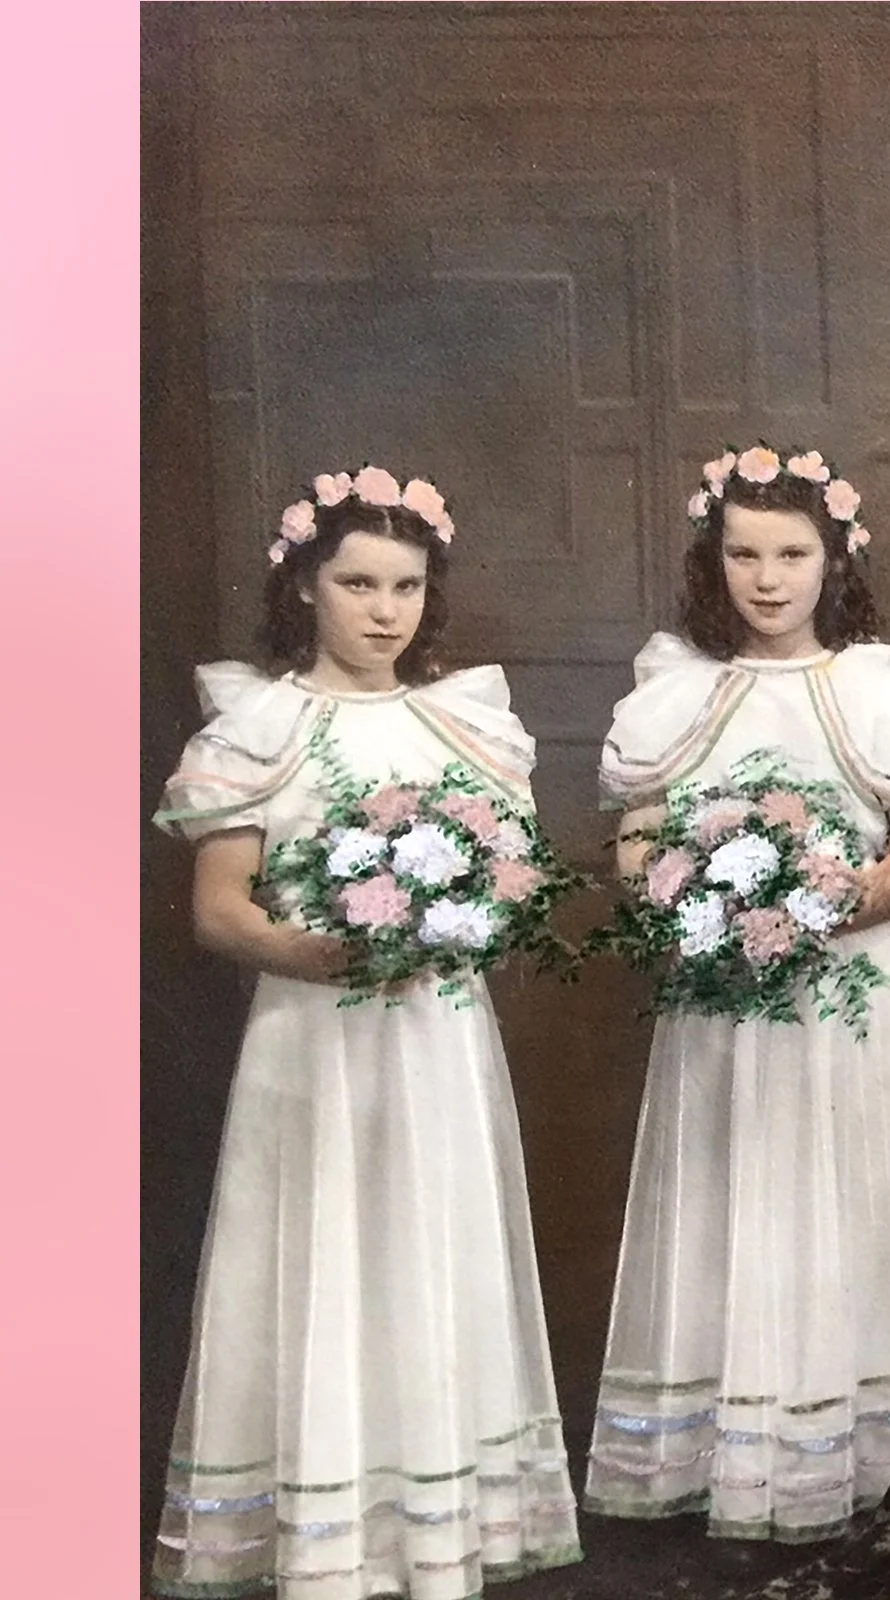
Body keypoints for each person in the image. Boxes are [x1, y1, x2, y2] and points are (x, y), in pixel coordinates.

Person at [151, 467, 581, 1598]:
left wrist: (465, 917)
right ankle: (327, 1537)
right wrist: (323, 951)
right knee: (323, 1249)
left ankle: (439, 1530)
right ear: (304, 587)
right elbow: (217, 910)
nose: (383, 609)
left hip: (436, 1032)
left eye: (405, 584)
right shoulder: (258, 724)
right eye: (355, 583)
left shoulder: (463, 723)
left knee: (430, 1247)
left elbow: (516, 881)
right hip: (310, 1038)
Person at [585, 446, 890, 1542]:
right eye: (744, 553)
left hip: (841, 978)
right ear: (716, 562)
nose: (767, 577)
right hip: (719, 983)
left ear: (831, 559)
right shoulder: (680, 689)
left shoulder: (872, 689)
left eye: (791, 553)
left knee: (837, 1181)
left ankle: (851, 1449)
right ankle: (717, 1448)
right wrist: (684, 900)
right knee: (725, 1181)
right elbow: (640, 835)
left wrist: (842, 901)